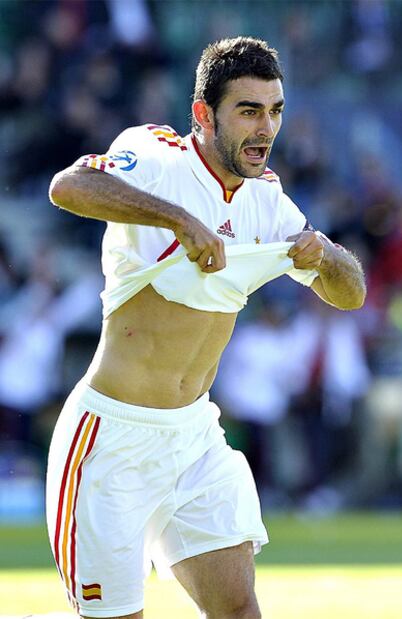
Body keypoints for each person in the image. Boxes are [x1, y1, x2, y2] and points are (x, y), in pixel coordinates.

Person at [47, 37, 366, 619]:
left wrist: (328, 255)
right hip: (110, 441)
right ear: (202, 114)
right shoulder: (154, 154)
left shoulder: (268, 200)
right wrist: (178, 220)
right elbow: (67, 187)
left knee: (240, 611)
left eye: (275, 111)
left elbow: (351, 294)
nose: (265, 129)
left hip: (194, 439)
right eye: (248, 111)